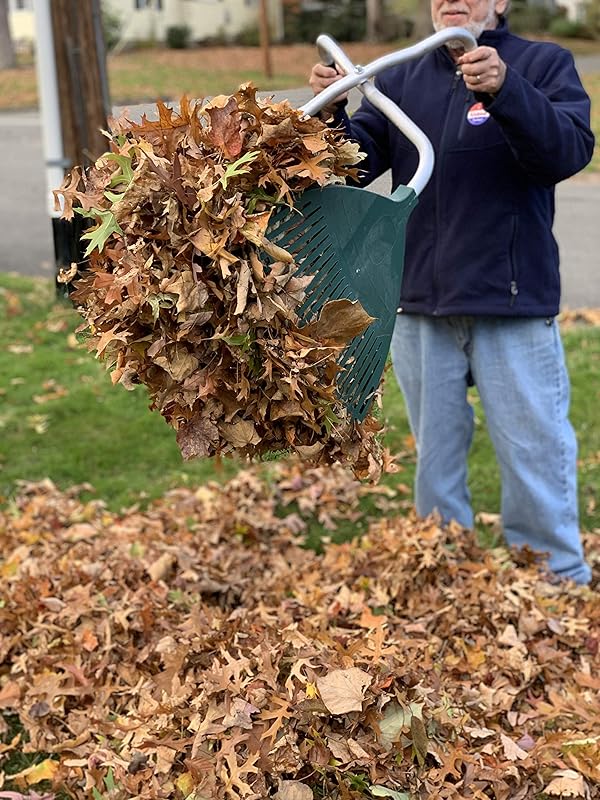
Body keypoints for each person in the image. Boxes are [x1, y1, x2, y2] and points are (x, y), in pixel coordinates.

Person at [309, 0, 595, 584]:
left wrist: (507, 90)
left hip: (510, 302)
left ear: (500, 2)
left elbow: (566, 153)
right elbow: (352, 170)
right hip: (419, 305)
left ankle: (557, 582)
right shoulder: (399, 79)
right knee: (436, 464)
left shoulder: (542, 64)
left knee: (534, 454)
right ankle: (444, 580)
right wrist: (332, 114)